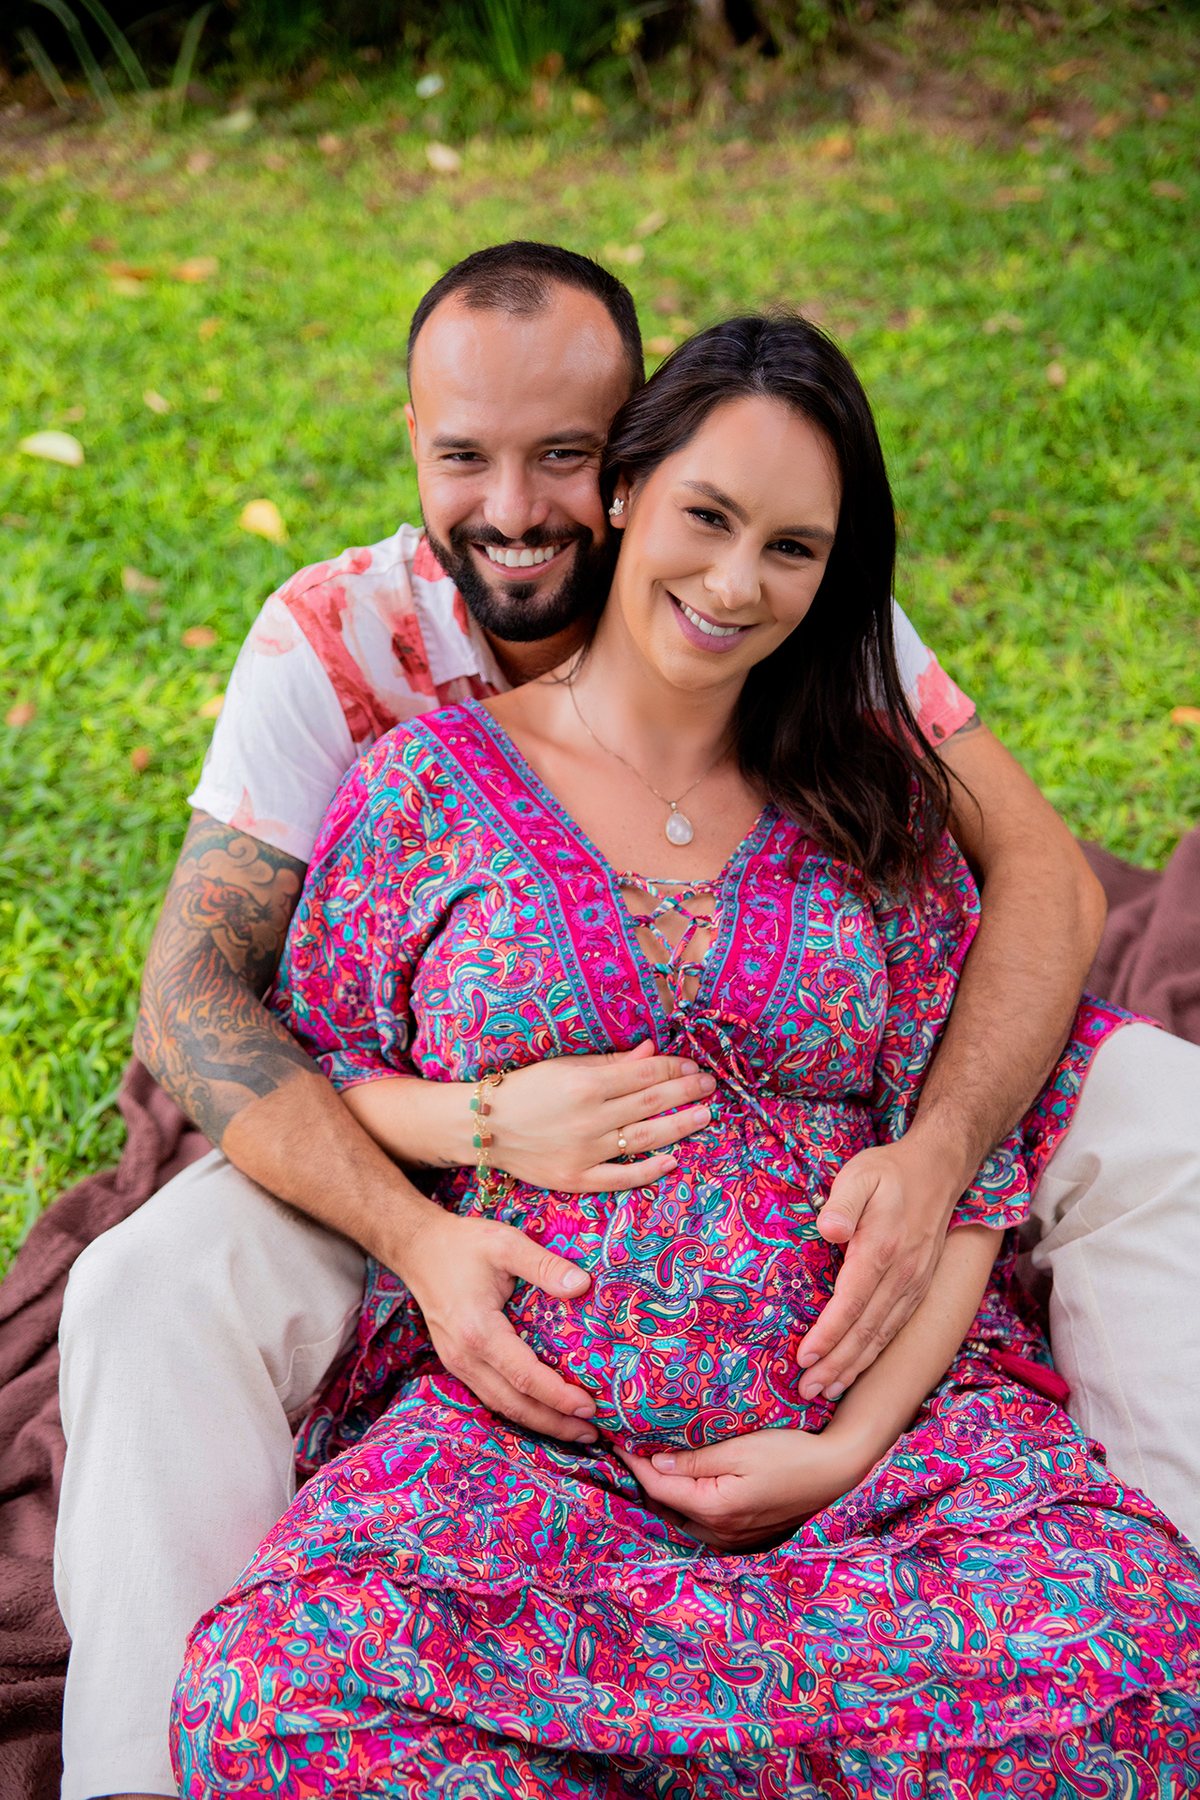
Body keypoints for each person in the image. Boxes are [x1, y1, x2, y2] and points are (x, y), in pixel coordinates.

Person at [54, 245, 1200, 1800]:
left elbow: (1013, 1049)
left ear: (612, 469)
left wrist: (860, 1410)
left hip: (872, 1470)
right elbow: (242, 1025)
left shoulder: (853, 754)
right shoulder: (388, 734)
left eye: (787, 548)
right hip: (520, 1452)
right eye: (468, 455)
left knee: (1137, 1648)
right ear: (637, 498)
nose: (735, 581)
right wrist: (450, 1174)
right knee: (271, 1683)